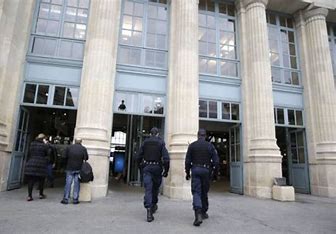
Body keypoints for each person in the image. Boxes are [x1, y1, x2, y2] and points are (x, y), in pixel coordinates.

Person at [185, 129, 219, 226]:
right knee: (204, 192)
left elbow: (187, 162)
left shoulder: (192, 146)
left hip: (195, 170)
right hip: (206, 171)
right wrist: (215, 174)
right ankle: (203, 212)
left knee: (196, 192)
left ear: (198, 135)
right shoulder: (210, 146)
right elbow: (216, 162)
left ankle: (198, 214)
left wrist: (187, 173)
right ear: (205, 136)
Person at [136, 127, 169, 222]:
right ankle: (153, 205)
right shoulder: (161, 143)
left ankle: (149, 211)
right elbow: (166, 159)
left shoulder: (145, 142)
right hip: (157, 168)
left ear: (150, 134)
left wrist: (140, 167)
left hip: (147, 168)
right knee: (155, 189)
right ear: (158, 134)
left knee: (148, 189)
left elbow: (138, 156)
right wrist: (166, 170)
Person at [60, 138, 88, 205]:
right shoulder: (83, 148)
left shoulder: (69, 147)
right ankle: (75, 199)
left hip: (69, 167)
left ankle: (66, 199)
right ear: (81, 142)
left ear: (74, 141)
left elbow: (64, 156)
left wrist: (64, 165)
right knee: (77, 184)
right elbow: (86, 158)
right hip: (78, 168)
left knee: (68, 183)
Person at [24, 133, 49, 201]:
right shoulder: (44, 146)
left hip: (31, 162)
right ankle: (41, 194)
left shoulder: (32, 144)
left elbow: (30, 152)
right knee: (41, 180)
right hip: (41, 164)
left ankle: (29, 196)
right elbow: (47, 154)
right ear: (43, 139)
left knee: (31, 180)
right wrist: (46, 144)